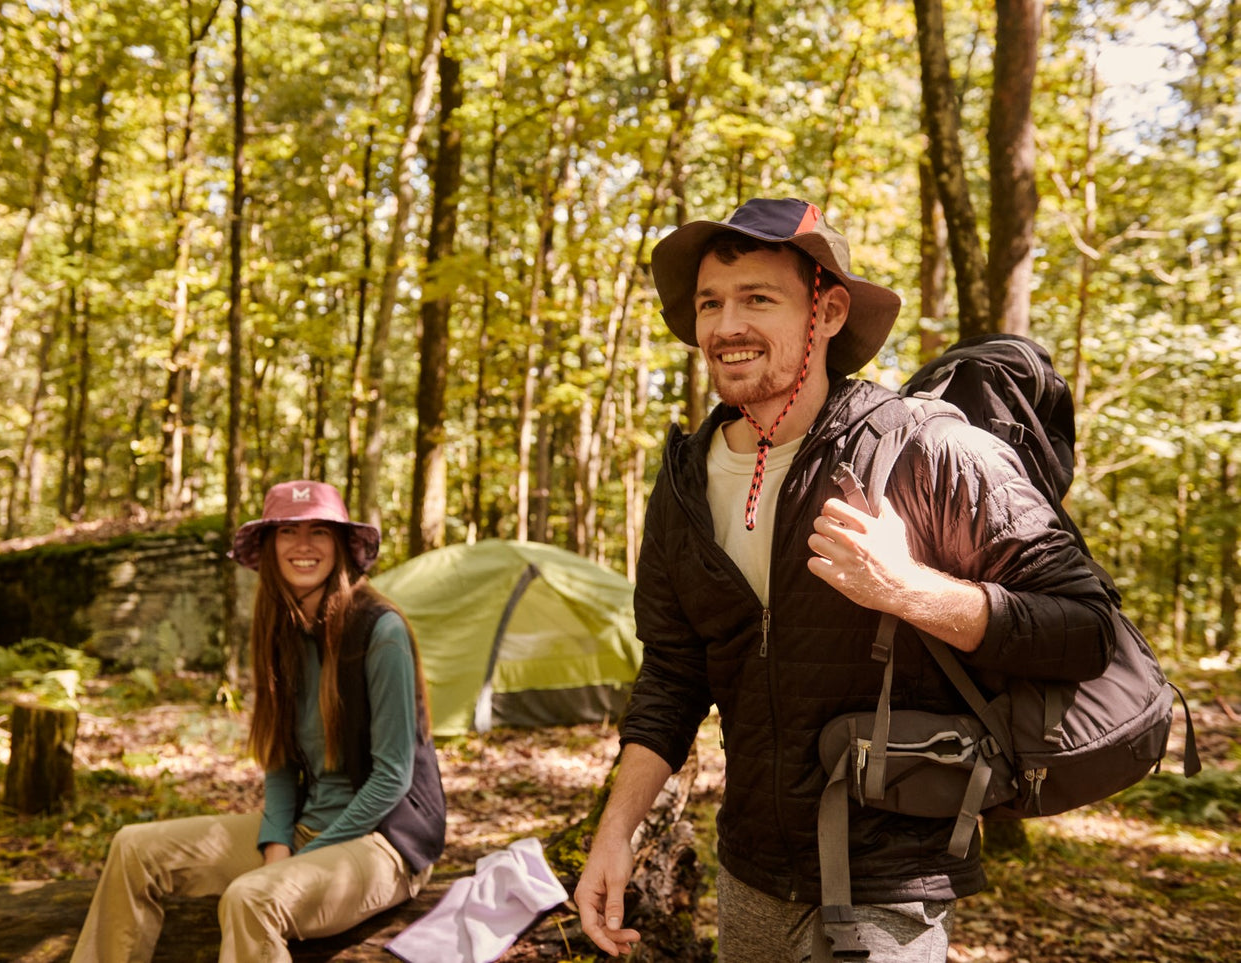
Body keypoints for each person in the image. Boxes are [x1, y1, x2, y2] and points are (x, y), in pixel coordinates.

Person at [573, 198, 1116, 962]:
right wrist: (613, 834)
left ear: (826, 311)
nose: (724, 325)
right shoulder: (685, 483)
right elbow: (671, 674)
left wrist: (907, 589)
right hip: (748, 872)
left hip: (891, 884)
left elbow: (1085, 628)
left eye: (757, 298)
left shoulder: (928, 450)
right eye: (709, 303)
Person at [71, 479, 443, 963]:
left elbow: (392, 776)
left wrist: (301, 860)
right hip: (313, 828)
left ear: (341, 547)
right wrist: (276, 841)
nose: (304, 546)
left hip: (384, 844)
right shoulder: (282, 632)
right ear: (270, 547)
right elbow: (281, 761)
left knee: (252, 898)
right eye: (288, 531)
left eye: (320, 532)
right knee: (133, 848)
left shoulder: (380, 631)